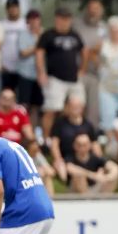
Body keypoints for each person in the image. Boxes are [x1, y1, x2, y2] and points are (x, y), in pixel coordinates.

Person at [36, 7, 86, 142]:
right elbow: (39, 54)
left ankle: (74, 138)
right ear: (56, 19)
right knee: (51, 109)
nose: (64, 22)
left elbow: (84, 52)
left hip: (74, 79)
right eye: (62, 19)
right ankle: (46, 140)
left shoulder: (75, 35)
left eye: (67, 19)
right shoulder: (48, 35)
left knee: (78, 107)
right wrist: (41, 73)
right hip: (55, 79)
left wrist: (82, 69)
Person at [73, 0, 108, 126]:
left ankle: (91, 136)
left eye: (96, 9)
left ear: (101, 11)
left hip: (96, 74)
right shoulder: (76, 25)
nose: (93, 12)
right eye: (91, 8)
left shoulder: (105, 28)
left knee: (94, 109)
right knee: (78, 105)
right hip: (78, 72)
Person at [48, 95, 100, 183]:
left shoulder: (88, 124)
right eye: (73, 106)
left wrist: (98, 160)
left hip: (85, 158)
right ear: (67, 107)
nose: (75, 109)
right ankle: (67, 183)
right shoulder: (60, 123)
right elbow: (54, 144)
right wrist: (58, 158)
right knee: (61, 166)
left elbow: (95, 144)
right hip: (67, 159)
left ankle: (92, 179)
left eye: (78, 106)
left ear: (82, 108)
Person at [16, 11, 43, 118]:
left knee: (37, 105)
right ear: (28, 21)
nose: (34, 21)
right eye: (31, 19)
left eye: (36, 19)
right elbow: (23, 53)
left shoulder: (44, 33)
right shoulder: (23, 34)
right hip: (25, 74)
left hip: (40, 75)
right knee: (24, 104)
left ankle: (33, 131)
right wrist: (39, 45)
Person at [0, 0, 25, 93]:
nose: (13, 9)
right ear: (7, 9)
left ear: (19, 8)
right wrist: (0, 64)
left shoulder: (25, 24)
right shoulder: (1, 25)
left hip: (22, 68)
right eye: (10, 7)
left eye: (15, 7)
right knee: (6, 95)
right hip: (5, 68)